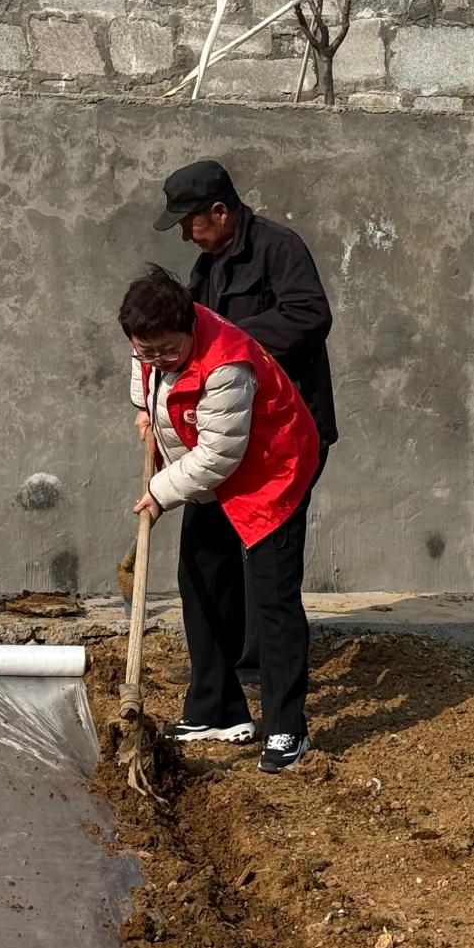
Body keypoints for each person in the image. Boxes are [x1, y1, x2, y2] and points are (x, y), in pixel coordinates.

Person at [120, 265, 321, 773]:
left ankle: (286, 728)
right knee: (201, 579)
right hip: (210, 470)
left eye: (168, 351)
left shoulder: (227, 364)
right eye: (146, 351)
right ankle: (217, 709)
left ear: (189, 326)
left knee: (271, 601)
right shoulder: (150, 341)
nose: (157, 359)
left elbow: (217, 457)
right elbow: (148, 377)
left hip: (270, 472)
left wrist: (159, 493)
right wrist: (145, 408)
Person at [155, 159, 337, 685]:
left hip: (287, 436)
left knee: (267, 551)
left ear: (220, 211)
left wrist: (233, 339)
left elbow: (309, 316)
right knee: (214, 552)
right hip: (229, 433)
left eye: (189, 222)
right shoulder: (206, 267)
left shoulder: (279, 248)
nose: (186, 235)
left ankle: (261, 668)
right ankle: (222, 668)